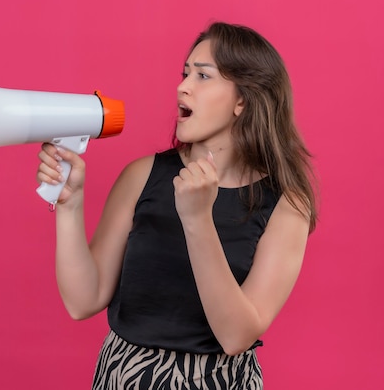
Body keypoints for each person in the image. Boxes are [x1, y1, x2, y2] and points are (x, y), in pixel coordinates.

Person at [36, 21, 317, 389]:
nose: (182, 86)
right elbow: (82, 301)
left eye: (203, 76)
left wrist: (198, 220)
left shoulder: (286, 204)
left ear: (242, 100)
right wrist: (70, 205)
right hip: (125, 376)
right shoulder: (142, 175)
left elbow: (236, 336)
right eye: (185, 73)